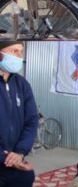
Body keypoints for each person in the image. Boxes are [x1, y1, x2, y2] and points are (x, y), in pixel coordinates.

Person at [0, 42, 39, 187]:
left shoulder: (22, 84)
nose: (19, 56)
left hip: (14, 159)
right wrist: (5, 157)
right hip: (4, 158)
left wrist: (20, 153)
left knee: (26, 176)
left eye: (21, 52)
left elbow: (31, 121)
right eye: (14, 51)